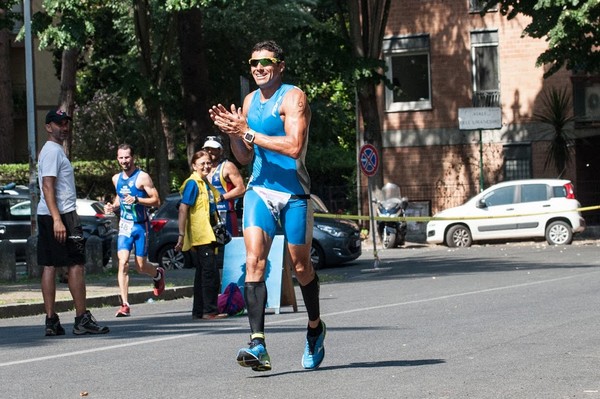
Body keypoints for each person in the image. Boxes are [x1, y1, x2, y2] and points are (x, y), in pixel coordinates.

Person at [209, 40, 325, 371]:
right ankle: (257, 343)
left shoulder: (293, 97)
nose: (259, 67)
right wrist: (234, 133)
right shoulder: (249, 101)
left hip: (293, 193)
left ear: (280, 65)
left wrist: (247, 132)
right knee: (254, 262)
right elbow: (245, 157)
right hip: (259, 190)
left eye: (266, 61)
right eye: (253, 63)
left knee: (300, 267)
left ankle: (315, 328)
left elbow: (293, 146)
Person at [37, 109, 110, 336]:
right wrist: (58, 219)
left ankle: (51, 321)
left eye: (67, 123)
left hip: (49, 214)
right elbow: (48, 185)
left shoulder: (54, 151)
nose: (64, 127)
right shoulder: (52, 152)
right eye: (59, 124)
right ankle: (81, 318)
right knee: (76, 264)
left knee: (50, 264)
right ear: (49, 127)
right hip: (62, 215)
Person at [105, 144, 165, 317]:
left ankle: (157, 274)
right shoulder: (116, 178)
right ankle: (124, 304)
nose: (124, 161)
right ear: (117, 159)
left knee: (140, 266)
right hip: (125, 225)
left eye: (127, 157)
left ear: (133, 158)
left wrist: (138, 199)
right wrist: (113, 206)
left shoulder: (142, 177)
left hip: (141, 225)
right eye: (121, 157)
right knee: (122, 262)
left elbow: (156, 200)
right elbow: (119, 197)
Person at [174, 150, 227, 320]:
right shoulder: (193, 183)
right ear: (194, 166)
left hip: (208, 233)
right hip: (200, 234)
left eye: (208, 162)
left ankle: (199, 311)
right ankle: (209, 311)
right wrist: (181, 235)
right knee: (210, 273)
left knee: (202, 273)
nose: (206, 166)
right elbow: (183, 208)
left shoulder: (205, 184)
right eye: (202, 163)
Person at [202, 136, 245, 237]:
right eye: (207, 148)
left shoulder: (227, 166)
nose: (210, 151)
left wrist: (222, 197)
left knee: (230, 248)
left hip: (226, 214)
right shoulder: (202, 169)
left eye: (213, 149)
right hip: (207, 216)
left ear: (220, 150)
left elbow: (242, 188)